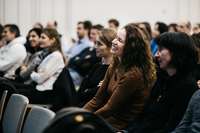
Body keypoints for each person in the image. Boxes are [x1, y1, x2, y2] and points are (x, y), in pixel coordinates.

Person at [120, 32, 199, 133]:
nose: (156, 55)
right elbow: (143, 115)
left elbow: (171, 128)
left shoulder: (187, 87)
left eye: (161, 49)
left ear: (176, 52)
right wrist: (124, 131)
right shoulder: (162, 79)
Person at [83, 25, 157, 131]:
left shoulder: (133, 75)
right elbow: (97, 100)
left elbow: (109, 109)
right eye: (116, 37)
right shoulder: (114, 67)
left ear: (130, 48)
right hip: (108, 121)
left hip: (120, 127)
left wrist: (84, 119)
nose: (114, 41)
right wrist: (77, 116)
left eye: (120, 40)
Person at [15, 28, 67, 104]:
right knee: (8, 86)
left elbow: (40, 79)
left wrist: (33, 73)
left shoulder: (56, 56)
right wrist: (37, 73)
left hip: (43, 94)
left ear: (52, 40)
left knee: (12, 92)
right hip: (34, 87)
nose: (40, 40)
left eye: (43, 38)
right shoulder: (43, 54)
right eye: (40, 37)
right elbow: (38, 75)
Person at [77, 28, 116, 107]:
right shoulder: (97, 66)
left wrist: (87, 91)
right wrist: (92, 91)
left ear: (110, 47)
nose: (95, 47)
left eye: (99, 44)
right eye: (95, 43)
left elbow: (103, 95)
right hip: (84, 106)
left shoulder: (115, 69)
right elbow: (80, 94)